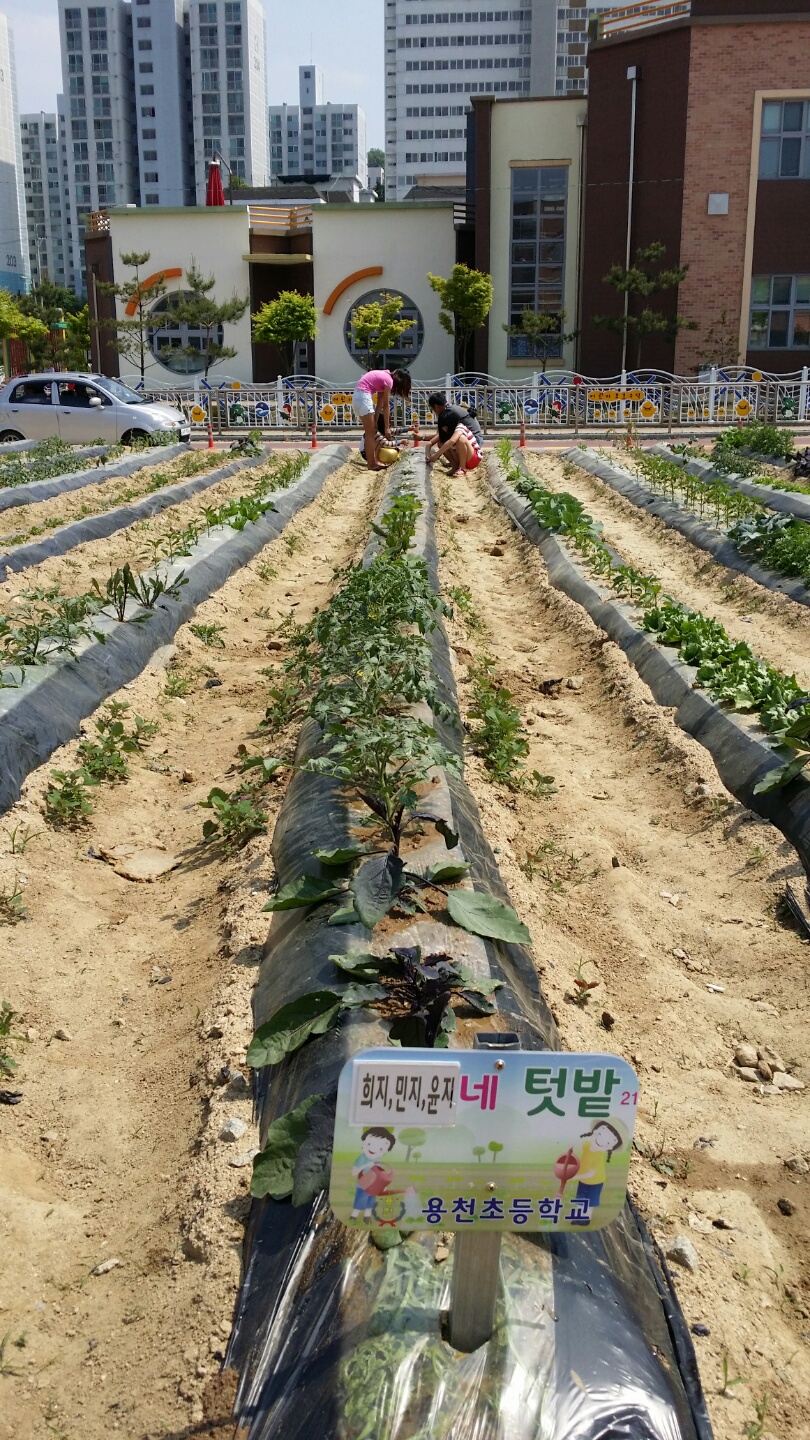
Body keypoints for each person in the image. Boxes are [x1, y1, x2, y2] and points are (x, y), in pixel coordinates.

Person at [352, 368, 412, 472]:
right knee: (371, 433)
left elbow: (380, 400)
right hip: (363, 397)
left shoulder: (384, 375)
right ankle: (372, 463)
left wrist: (375, 420)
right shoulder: (389, 380)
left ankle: (372, 461)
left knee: (371, 432)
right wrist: (387, 427)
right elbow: (386, 406)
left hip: (358, 397)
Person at [425, 392, 484, 476]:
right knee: (442, 442)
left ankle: (462, 467)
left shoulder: (454, 419)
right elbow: (431, 442)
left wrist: (436, 455)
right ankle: (455, 465)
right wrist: (428, 455)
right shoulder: (448, 415)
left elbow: (452, 440)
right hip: (466, 449)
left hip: (473, 447)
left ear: (436, 406)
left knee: (460, 439)